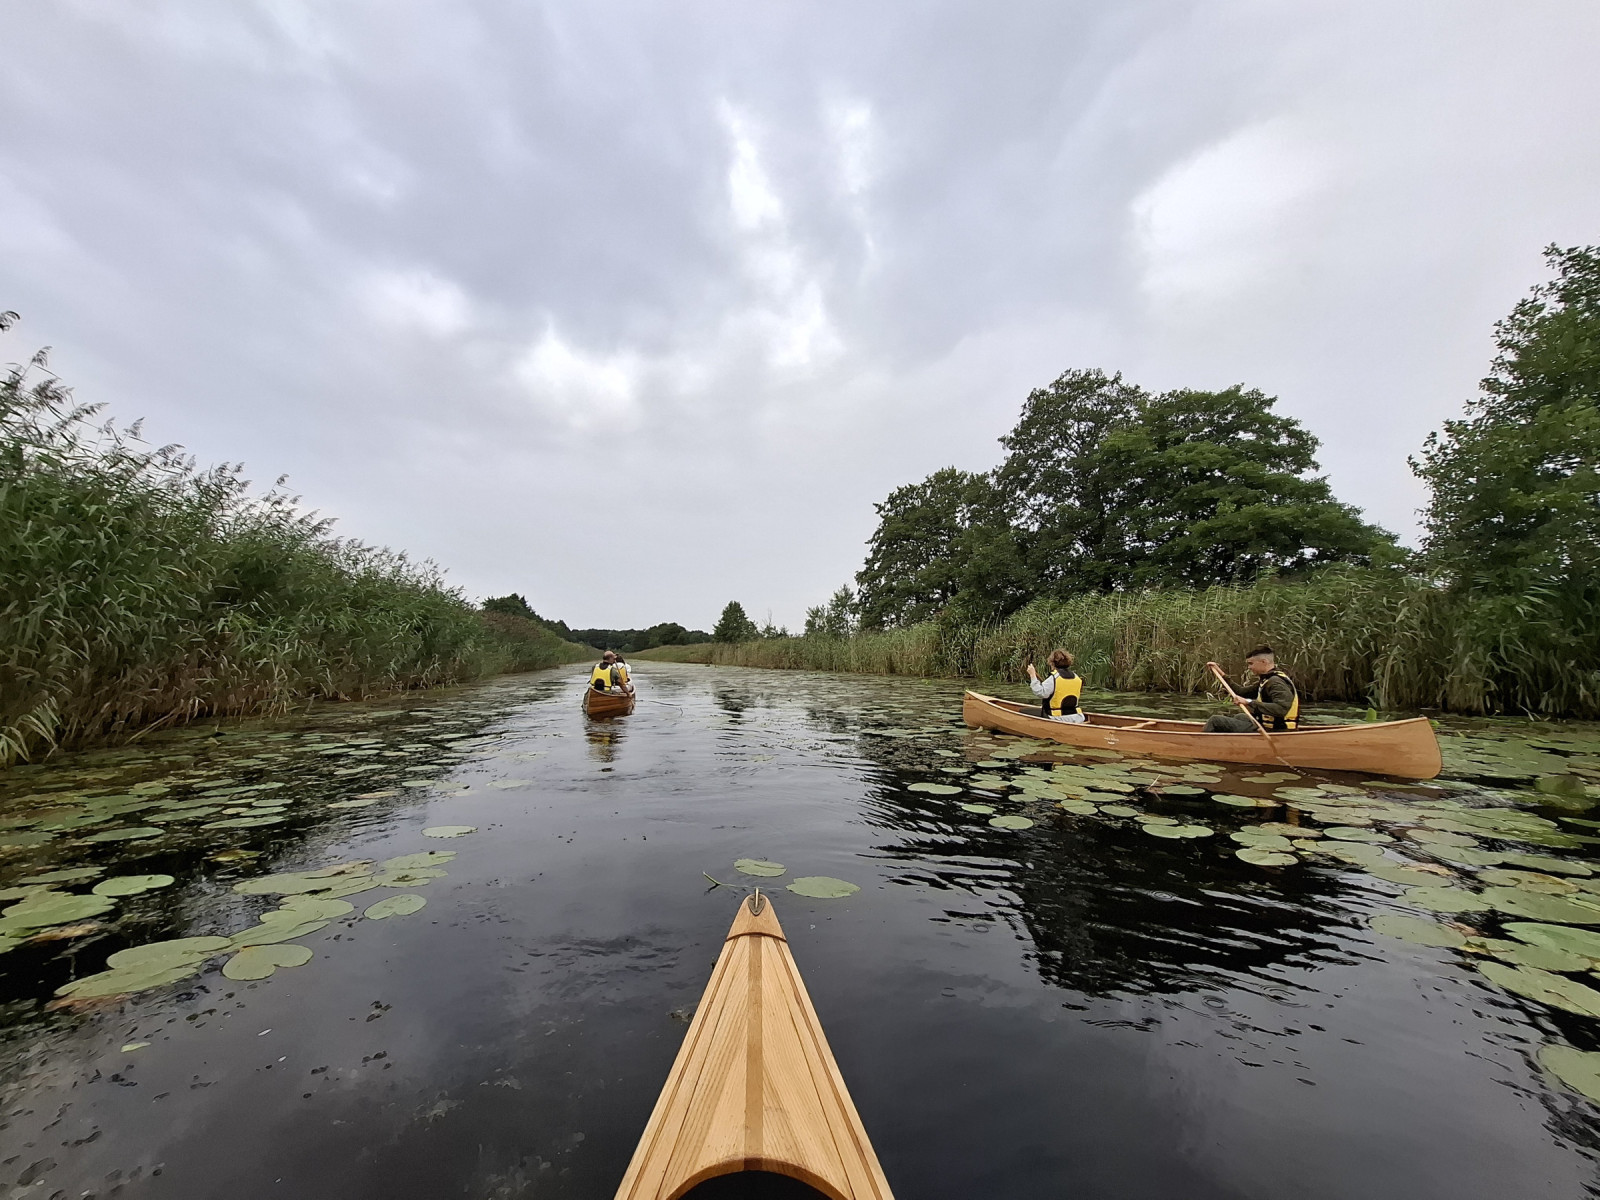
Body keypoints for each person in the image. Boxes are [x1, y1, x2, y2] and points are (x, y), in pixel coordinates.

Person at [1203, 646, 1300, 732]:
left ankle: (1204, 743)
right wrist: (1221, 674)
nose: (1249, 667)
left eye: (1251, 663)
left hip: (1277, 729)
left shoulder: (1276, 682)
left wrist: (1248, 702)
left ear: (1264, 662)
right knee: (1240, 717)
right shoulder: (1267, 680)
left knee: (1215, 720)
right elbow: (1241, 692)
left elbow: (1281, 709)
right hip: (1266, 725)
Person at [1026, 649, 1086, 723]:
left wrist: (1032, 675)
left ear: (1052, 663)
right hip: (1077, 717)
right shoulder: (1076, 677)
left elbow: (1040, 693)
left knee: (1023, 711)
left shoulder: (1054, 678)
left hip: (1057, 717)